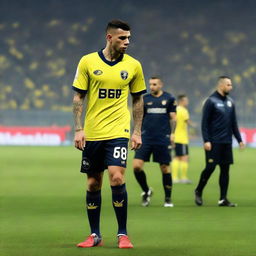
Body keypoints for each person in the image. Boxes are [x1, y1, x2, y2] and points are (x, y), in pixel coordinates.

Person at [72, 19, 146, 248]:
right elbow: (78, 98)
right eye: (122, 38)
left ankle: (122, 234)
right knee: (94, 183)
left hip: (118, 130)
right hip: (93, 131)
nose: (127, 42)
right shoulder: (87, 61)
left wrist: (136, 132)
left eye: (129, 38)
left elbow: (138, 100)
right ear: (109, 37)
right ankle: (95, 235)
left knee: (116, 176)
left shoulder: (134, 65)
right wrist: (78, 129)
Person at [194, 76, 245, 207]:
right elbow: (204, 123)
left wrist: (239, 140)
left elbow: (234, 123)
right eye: (229, 84)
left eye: (231, 85)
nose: (231, 87)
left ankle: (223, 199)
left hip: (226, 142)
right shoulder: (211, 101)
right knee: (210, 168)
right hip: (213, 142)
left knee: (225, 170)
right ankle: (198, 190)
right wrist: (206, 140)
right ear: (221, 85)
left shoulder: (230, 102)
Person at [133, 76, 177, 207]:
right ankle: (146, 191)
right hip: (146, 137)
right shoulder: (144, 99)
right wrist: (136, 133)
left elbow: (173, 118)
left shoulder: (169, 98)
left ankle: (168, 198)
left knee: (165, 168)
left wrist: (173, 134)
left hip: (162, 138)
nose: (151, 87)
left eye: (154, 84)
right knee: (136, 167)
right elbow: (138, 117)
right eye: (150, 84)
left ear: (161, 84)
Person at [172, 94, 194, 184]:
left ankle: (174, 178)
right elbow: (188, 122)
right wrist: (194, 126)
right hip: (182, 138)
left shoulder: (175, 110)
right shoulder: (184, 111)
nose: (187, 102)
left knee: (177, 157)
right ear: (182, 101)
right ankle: (183, 177)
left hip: (176, 137)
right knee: (184, 157)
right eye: (186, 100)